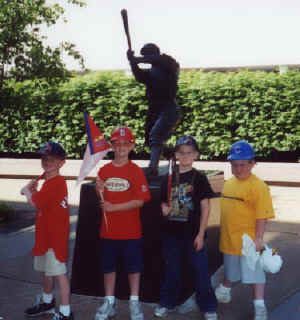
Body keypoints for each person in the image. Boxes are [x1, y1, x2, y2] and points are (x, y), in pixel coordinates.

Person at [154, 135, 218, 320]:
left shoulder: (199, 178)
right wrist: (163, 208)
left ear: (196, 155)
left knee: (201, 272)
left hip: (193, 234)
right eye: (181, 152)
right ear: (176, 154)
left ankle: (208, 306)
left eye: (189, 153)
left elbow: (206, 207)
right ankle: (167, 302)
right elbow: (161, 202)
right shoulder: (168, 176)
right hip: (171, 234)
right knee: (172, 270)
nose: (185, 156)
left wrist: (200, 234)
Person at [94, 126, 151, 320]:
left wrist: (113, 208)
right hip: (108, 231)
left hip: (131, 232)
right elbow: (102, 196)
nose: (121, 148)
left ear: (132, 146)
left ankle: (134, 302)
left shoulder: (136, 171)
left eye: (125, 144)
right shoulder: (104, 169)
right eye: (117, 144)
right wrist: (98, 188)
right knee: (108, 268)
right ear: (111, 146)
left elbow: (140, 201)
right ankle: (109, 301)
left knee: (133, 268)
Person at [215, 140, 275, 320]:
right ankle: (225, 290)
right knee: (231, 271)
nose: (238, 169)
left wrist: (258, 239)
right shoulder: (229, 183)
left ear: (252, 164)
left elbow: (261, 215)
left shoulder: (259, 187)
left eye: (243, 165)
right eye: (234, 165)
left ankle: (259, 307)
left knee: (255, 275)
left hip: (249, 242)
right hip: (229, 240)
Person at [20, 142, 73, 320]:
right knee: (46, 271)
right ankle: (47, 301)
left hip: (54, 239)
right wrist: (34, 190)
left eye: (52, 159)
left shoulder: (56, 183)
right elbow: (43, 201)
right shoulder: (49, 182)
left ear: (61, 163)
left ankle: (66, 312)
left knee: (59, 274)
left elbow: (35, 202)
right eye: (44, 158)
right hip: (45, 236)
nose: (47, 161)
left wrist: (28, 191)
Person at [127, 43, 181, 176]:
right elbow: (139, 76)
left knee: (155, 136)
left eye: (147, 56)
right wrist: (132, 62)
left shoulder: (168, 63)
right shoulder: (152, 72)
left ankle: (153, 168)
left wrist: (137, 59)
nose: (146, 59)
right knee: (151, 139)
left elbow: (157, 59)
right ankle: (173, 155)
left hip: (169, 108)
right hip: (157, 110)